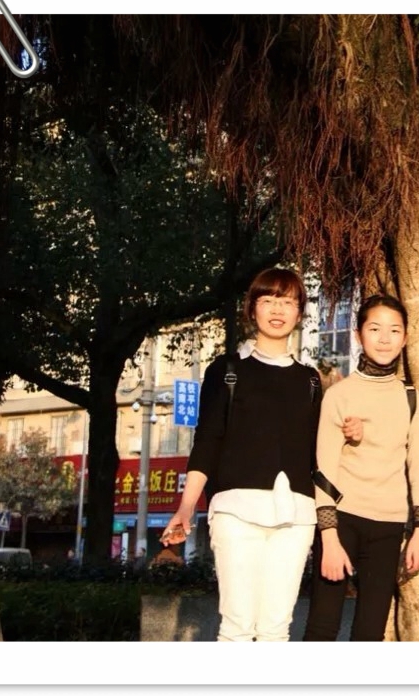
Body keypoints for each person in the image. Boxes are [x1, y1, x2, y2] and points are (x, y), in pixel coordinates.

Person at [161, 268, 323, 642]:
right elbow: (207, 441)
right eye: (268, 300)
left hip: (297, 514)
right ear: (252, 309)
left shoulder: (311, 380)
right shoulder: (226, 370)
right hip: (236, 511)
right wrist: (186, 507)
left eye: (287, 302)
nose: (277, 310)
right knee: (237, 627)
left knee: (276, 629)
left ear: (299, 312)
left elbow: (317, 451)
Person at [303, 294, 419, 641]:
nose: (385, 338)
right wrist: (329, 539)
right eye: (375, 329)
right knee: (321, 626)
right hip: (342, 520)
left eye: (394, 330)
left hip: (389, 525)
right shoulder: (339, 394)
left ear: (405, 338)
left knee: (370, 632)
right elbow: (324, 471)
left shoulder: (409, 395)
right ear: (359, 335)